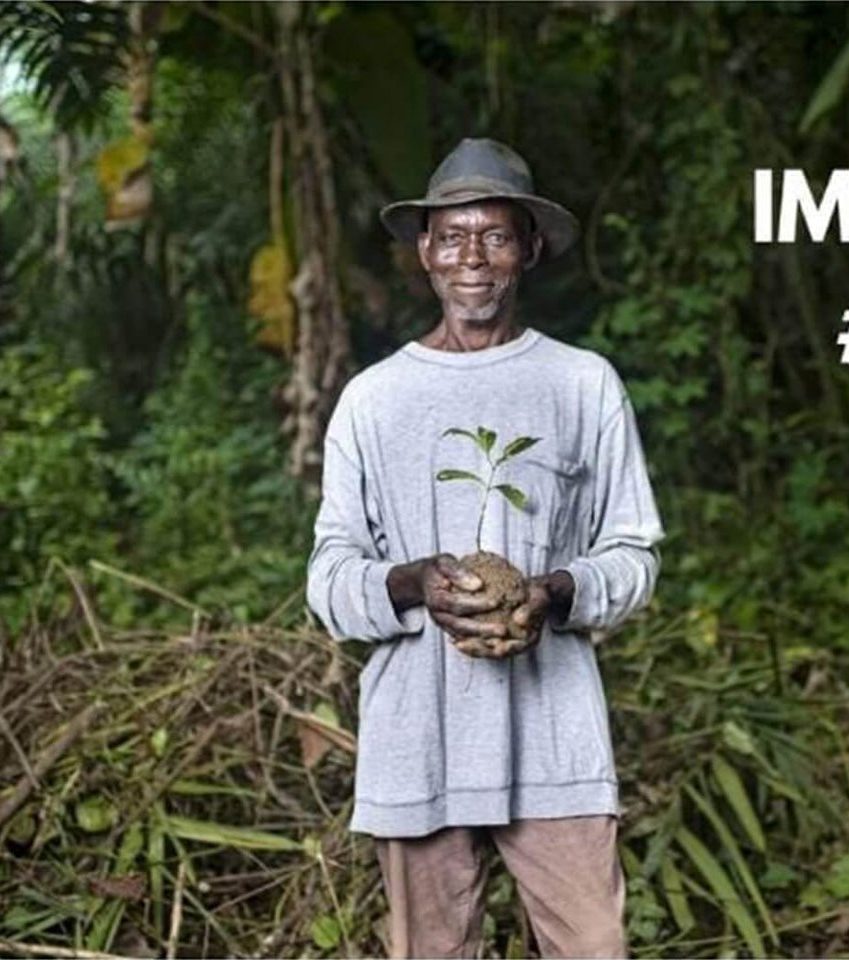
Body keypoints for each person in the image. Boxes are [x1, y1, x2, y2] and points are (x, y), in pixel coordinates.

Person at [305, 137, 665, 959]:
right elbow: (328, 575)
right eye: (454, 236)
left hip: (555, 732)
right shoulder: (373, 400)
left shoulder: (582, 383)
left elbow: (634, 551)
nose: (474, 257)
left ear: (529, 249)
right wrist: (407, 583)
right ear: (424, 251)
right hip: (416, 734)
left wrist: (558, 592)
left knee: (593, 944)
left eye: (496, 236)